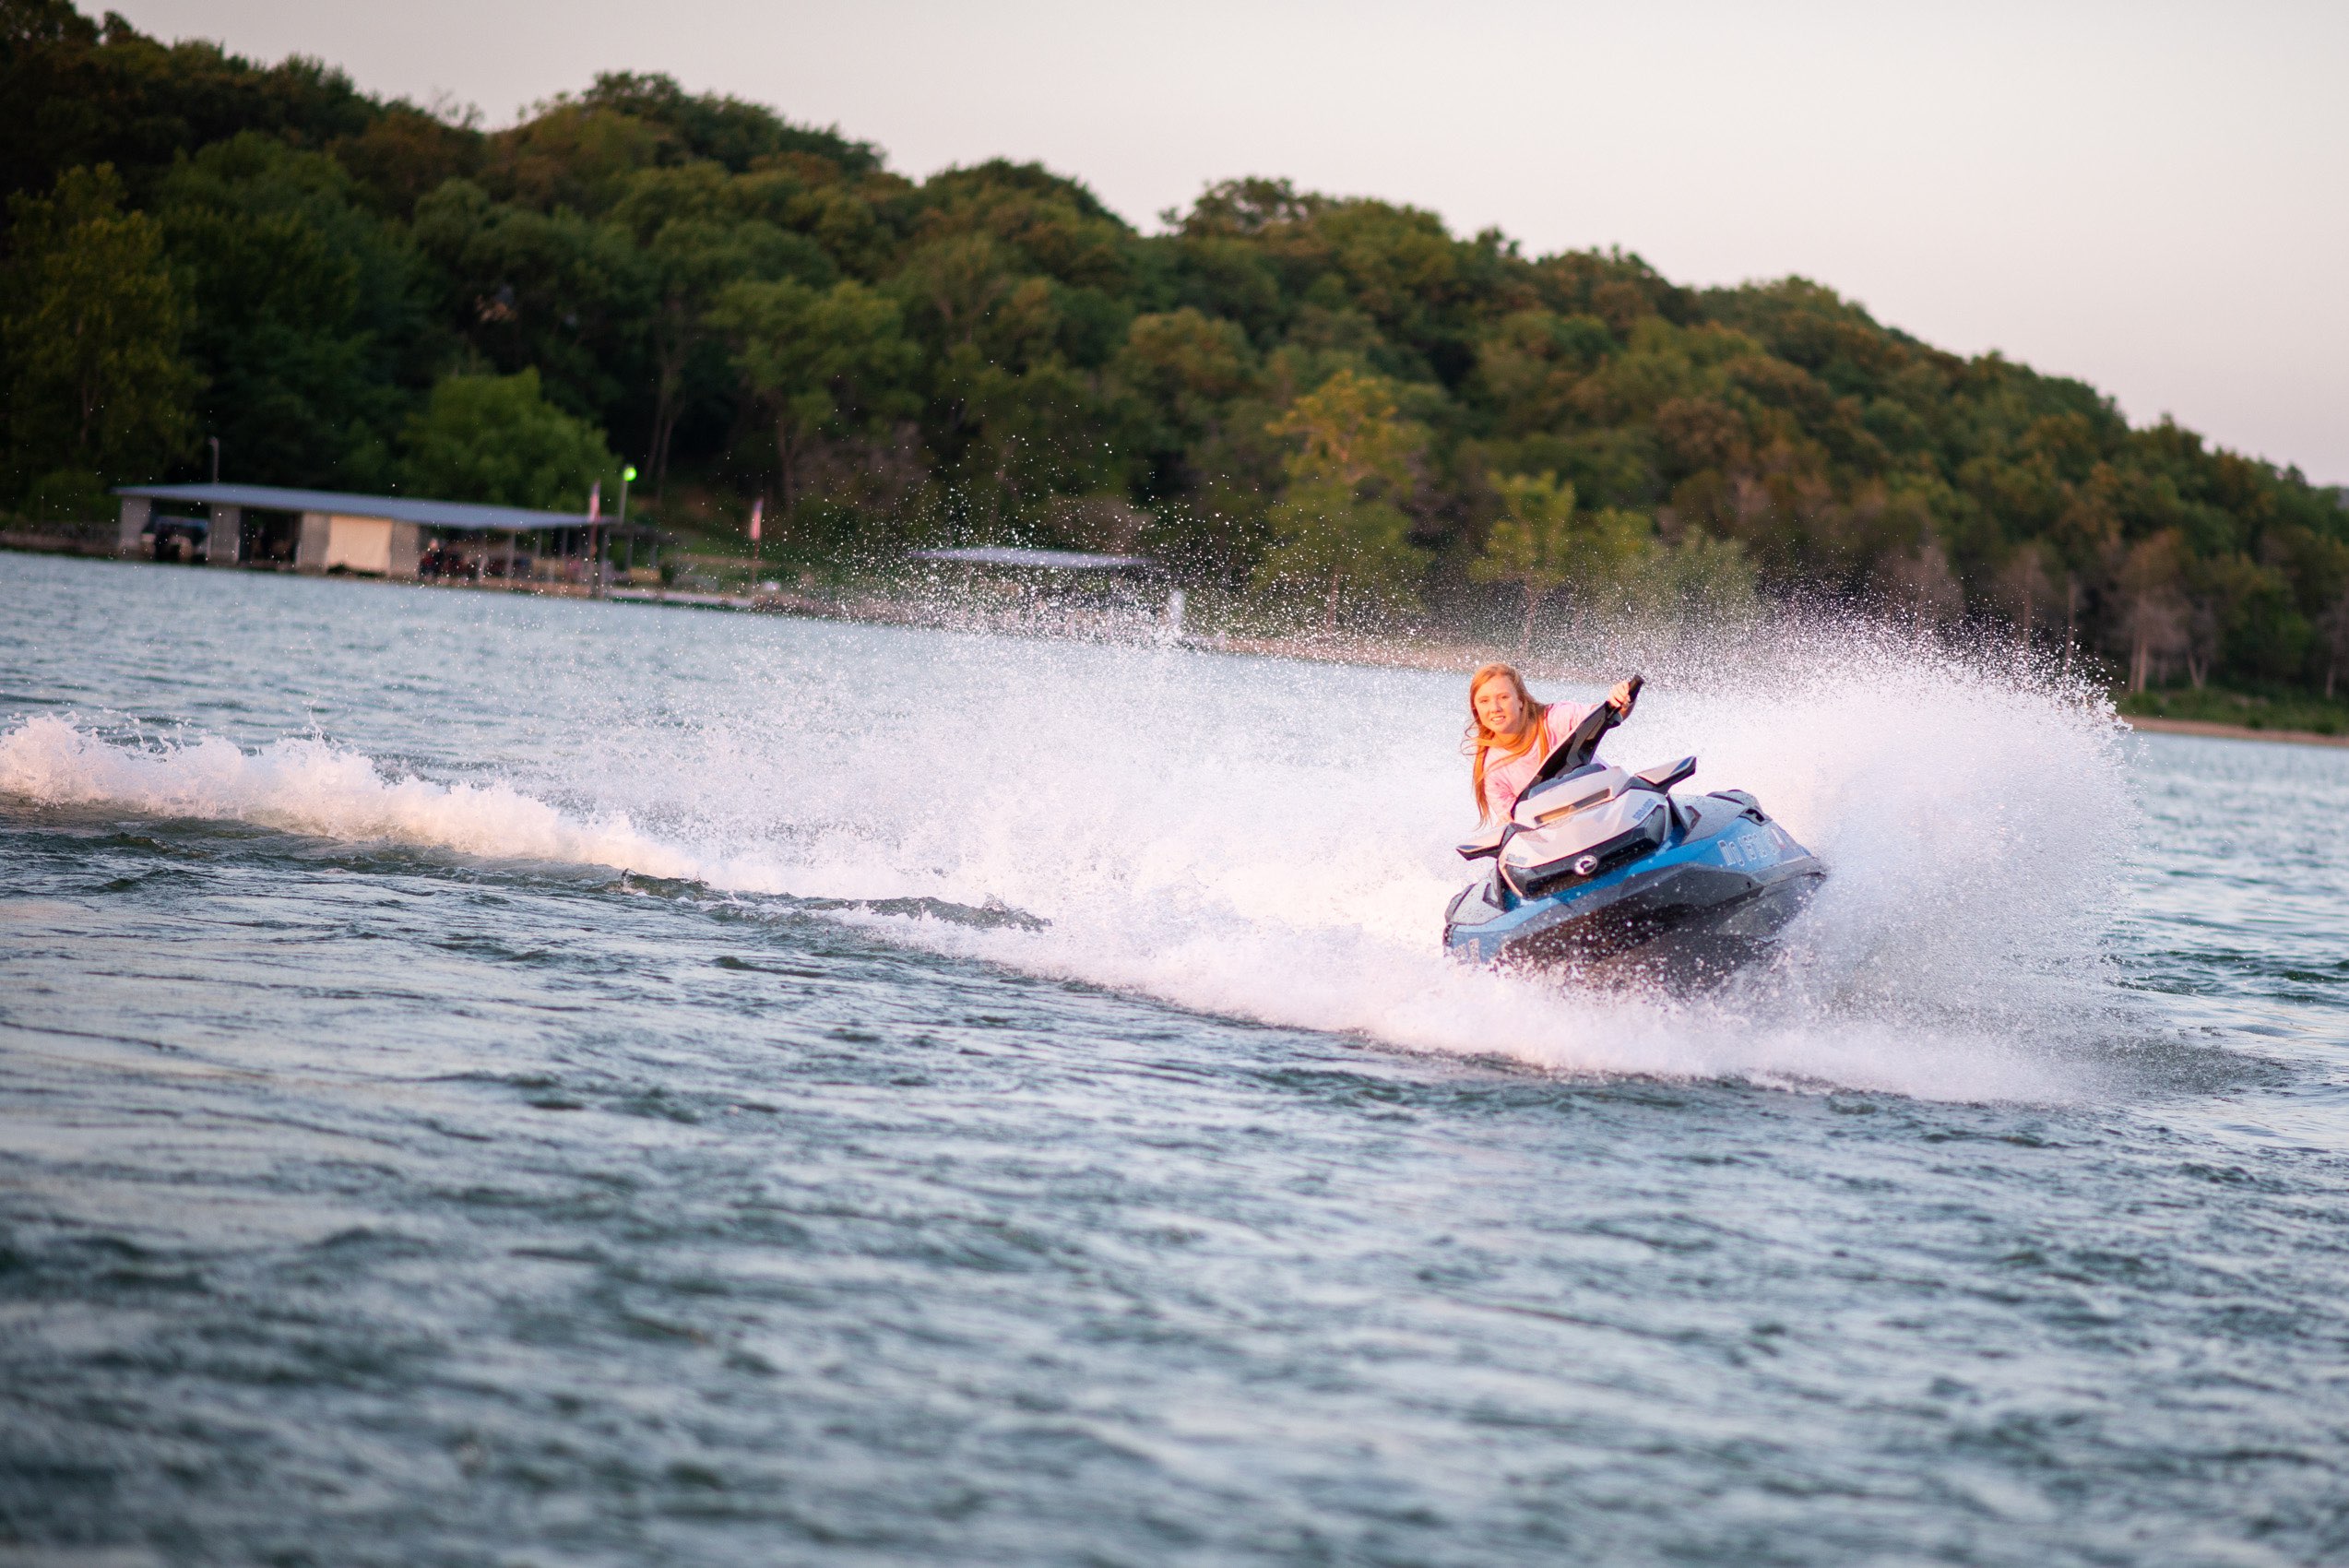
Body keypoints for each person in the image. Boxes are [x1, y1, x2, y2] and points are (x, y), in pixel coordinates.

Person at [1464, 663, 1638, 822]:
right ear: (1476, 709)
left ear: (1521, 700)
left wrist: (1621, 700)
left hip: (1611, 806)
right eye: (1484, 701)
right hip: (1561, 835)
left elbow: (1610, 713)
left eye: (1503, 697)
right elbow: (1513, 824)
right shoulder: (1492, 771)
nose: (1495, 708)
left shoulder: (1555, 718)